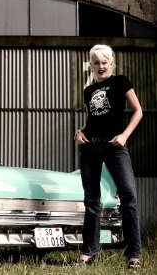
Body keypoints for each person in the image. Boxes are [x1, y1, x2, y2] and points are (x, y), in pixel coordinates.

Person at [74, 44, 142, 269]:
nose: (101, 66)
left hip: (115, 146)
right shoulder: (89, 90)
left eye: (104, 62)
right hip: (91, 148)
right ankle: (88, 252)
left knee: (128, 197)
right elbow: (95, 120)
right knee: (92, 201)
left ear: (111, 63)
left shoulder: (121, 81)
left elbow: (138, 111)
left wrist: (124, 135)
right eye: (96, 62)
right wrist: (80, 131)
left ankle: (134, 255)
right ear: (91, 65)